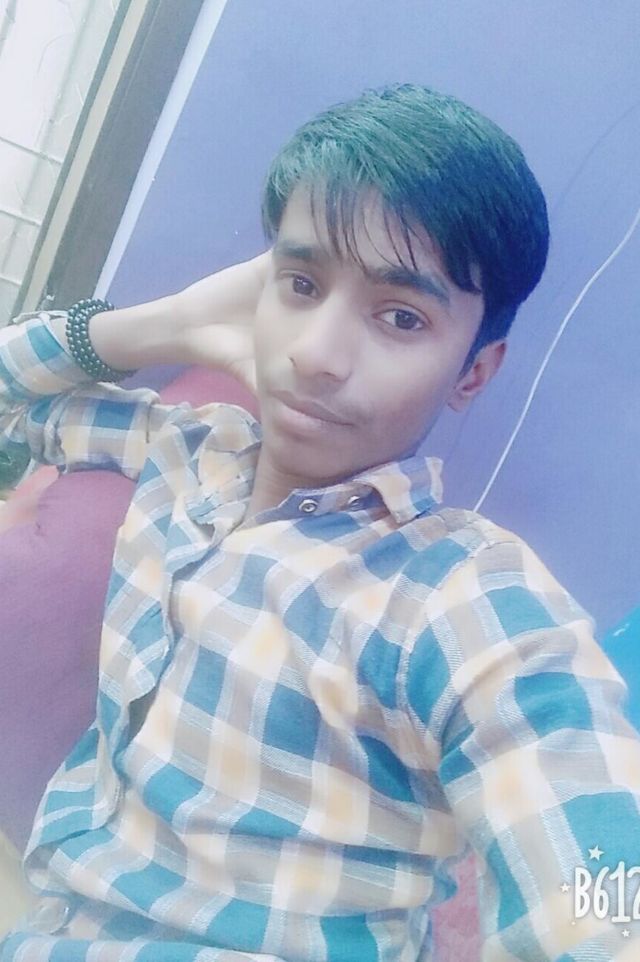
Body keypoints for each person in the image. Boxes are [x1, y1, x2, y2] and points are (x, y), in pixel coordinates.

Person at [1, 83, 639, 961]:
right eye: (300, 285)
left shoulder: (455, 594)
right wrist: (167, 325)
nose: (315, 355)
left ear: (472, 373)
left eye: (400, 316)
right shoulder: (181, 451)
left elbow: (602, 890)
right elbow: (12, 397)